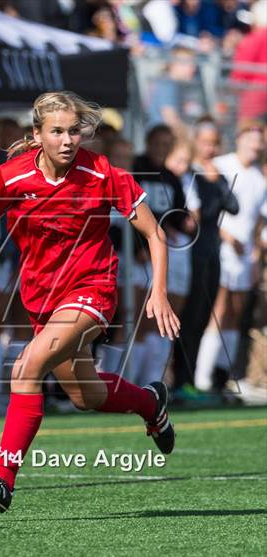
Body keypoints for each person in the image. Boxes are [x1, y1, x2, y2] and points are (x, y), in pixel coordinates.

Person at [0, 91, 180, 512]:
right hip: (40, 297)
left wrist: (158, 291)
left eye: (74, 131)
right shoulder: (12, 176)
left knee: (27, 366)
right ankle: (150, 403)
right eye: (57, 131)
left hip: (92, 289)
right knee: (87, 396)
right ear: (38, 134)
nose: (68, 140)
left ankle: (4, 479)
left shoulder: (102, 173)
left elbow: (155, 234)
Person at [195, 120, 265, 391]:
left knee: (236, 313)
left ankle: (226, 376)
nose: (256, 145)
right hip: (221, 250)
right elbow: (213, 210)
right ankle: (202, 377)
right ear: (240, 139)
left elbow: (258, 220)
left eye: (259, 140)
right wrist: (228, 238)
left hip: (245, 255)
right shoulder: (223, 165)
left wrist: (256, 255)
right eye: (251, 138)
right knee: (219, 310)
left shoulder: (259, 178)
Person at [172, 120, 239, 399]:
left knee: (202, 318)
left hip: (212, 254)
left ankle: (191, 380)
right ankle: (179, 380)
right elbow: (197, 213)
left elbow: (233, 206)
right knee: (188, 318)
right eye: (205, 142)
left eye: (215, 143)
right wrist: (209, 183)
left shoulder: (216, 175)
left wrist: (217, 181)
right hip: (191, 255)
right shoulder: (188, 173)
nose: (210, 148)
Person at [130, 125, 190, 386]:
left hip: (163, 251)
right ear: (148, 141)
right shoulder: (135, 167)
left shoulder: (171, 178)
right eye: (158, 142)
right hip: (137, 254)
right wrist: (138, 248)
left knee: (165, 319)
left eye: (167, 143)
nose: (162, 148)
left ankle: (154, 383)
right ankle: (130, 383)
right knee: (138, 319)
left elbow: (178, 217)